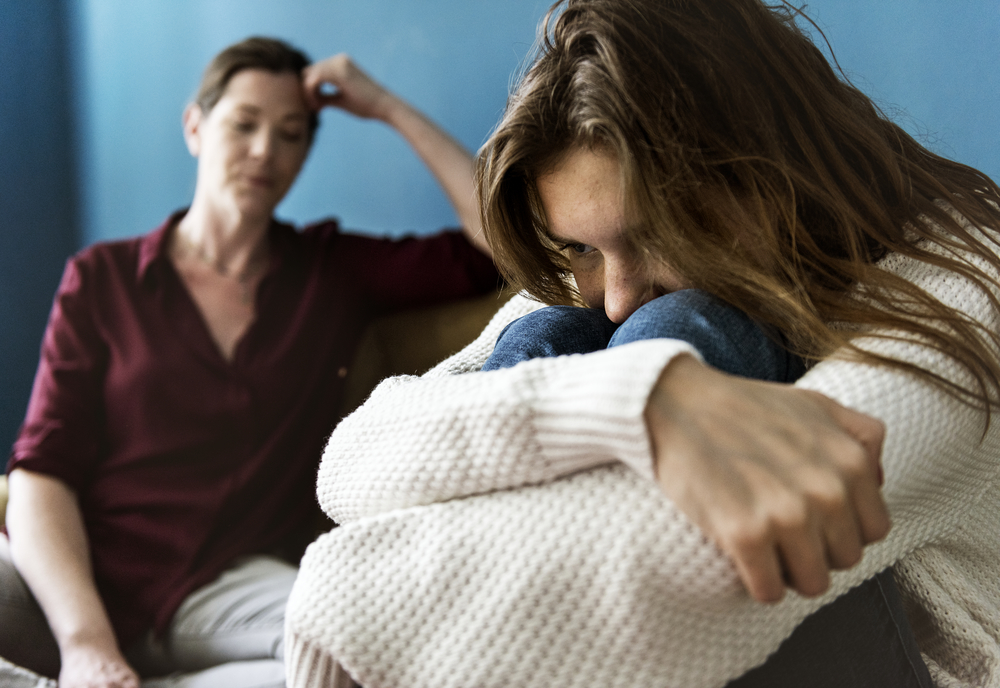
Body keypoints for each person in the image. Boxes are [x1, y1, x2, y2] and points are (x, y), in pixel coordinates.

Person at [282, 1, 1000, 687]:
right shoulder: (590, 283)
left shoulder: (963, 282)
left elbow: (644, 583)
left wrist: (330, 588)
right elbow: (352, 459)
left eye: (658, 234)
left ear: (774, 177)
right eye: (581, 248)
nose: (618, 295)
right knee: (556, 330)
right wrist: (641, 398)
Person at [1, 37, 498, 688]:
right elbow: (41, 474)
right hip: (77, 580)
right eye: (245, 125)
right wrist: (86, 644)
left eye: (292, 134)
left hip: (232, 590)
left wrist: (384, 107)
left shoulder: (332, 273)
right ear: (195, 127)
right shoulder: (103, 280)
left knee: (358, 651)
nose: (266, 150)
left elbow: (499, 244)